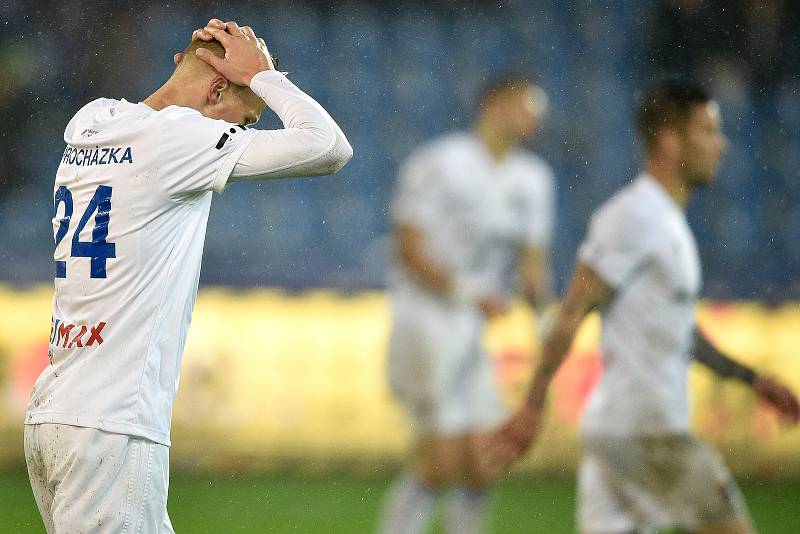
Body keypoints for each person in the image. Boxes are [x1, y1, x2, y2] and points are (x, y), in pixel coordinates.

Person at [24, 19, 352, 533]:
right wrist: (265, 77)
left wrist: (197, 59)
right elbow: (328, 148)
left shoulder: (93, 120)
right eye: (243, 120)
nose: (237, 134)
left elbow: (166, 102)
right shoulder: (178, 139)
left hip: (56, 412)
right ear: (219, 86)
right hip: (112, 423)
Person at [487, 80, 800, 534]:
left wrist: (751, 380)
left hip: (623, 434)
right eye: (708, 131)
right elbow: (573, 310)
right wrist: (533, 405)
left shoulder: (666, 224)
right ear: (671, 142)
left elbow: (679, 331)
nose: (721, 145)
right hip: (647, 432)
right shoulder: (635, 217)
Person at [379, 75, 555, 534]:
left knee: (484, 459)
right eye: (526, 102)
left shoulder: (534, 179)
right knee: (440, 459)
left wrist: (546, 319)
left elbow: (534, 265)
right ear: (494, 103)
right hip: (426, 320)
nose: (534, 115)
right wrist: (469, 293)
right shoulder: (440, 162)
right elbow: (408, 247)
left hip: (474, 328)